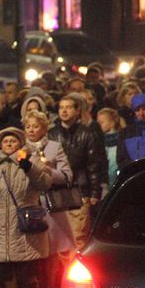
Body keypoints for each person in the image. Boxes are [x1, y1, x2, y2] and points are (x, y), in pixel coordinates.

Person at [0, 127, 52, 288]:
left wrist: (29, 168)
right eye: (5, 141)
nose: (8, 144)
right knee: (3, 263)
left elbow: (45, 182)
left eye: (12, 141)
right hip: (0, 218)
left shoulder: (30, 159)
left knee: (25, 263)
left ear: (20, 143)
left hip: (24, 216)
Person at [23, 111, 75, 288]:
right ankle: (38, 287)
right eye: (28, 126)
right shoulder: (21, 149)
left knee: (56, 250)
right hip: (31, 204)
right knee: (37, 251)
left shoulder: (54, 147)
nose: (31, 130)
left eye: (35, 126)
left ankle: (56, 287)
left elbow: (67, 174)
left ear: (44, 128)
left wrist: (47, 171)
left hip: (51, 205)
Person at [48, 94, 107, 251]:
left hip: (80, 189)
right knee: (59, 237)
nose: (64, 111)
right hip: (58, 190)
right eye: (61, 107)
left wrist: (95, 192)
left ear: (77, 111)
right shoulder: (52, 134)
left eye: (68, 107)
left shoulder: (86, 133)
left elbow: (93, 164)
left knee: (79, 235)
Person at [96, 108, 124, 187]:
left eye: (101, 122)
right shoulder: (99, 140)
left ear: (112, 123)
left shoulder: (119, 141)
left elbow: (113, 167)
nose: (98, 125)